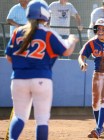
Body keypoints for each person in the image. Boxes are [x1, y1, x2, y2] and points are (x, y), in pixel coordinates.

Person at [5, 1, 78, 139]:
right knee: (42, 119)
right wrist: (72, 40)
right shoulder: (48, 33)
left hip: (19, 79)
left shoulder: (17, 32)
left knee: (19, 116)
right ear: (45, 15)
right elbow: (67, 51)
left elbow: (9, 57)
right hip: (41, 79)